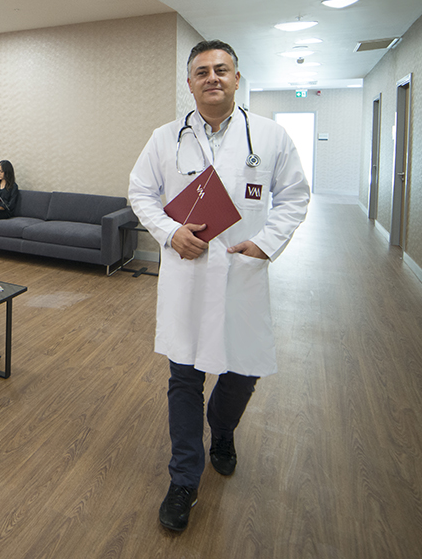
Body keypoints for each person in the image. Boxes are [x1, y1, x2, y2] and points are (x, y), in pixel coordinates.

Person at [128, 40, 310, 534]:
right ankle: (184, 479)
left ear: (236, 78)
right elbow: (140, 192)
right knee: (184, 377)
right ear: (190, 83)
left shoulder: (269, 136)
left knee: (243, 371)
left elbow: (295, 195)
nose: (212, 77)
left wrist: (266, 243)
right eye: (202, 71)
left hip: (241, 273)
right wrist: (169, 232)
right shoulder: (166, 138)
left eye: (222, 69)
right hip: (187, 275)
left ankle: (223, 429)